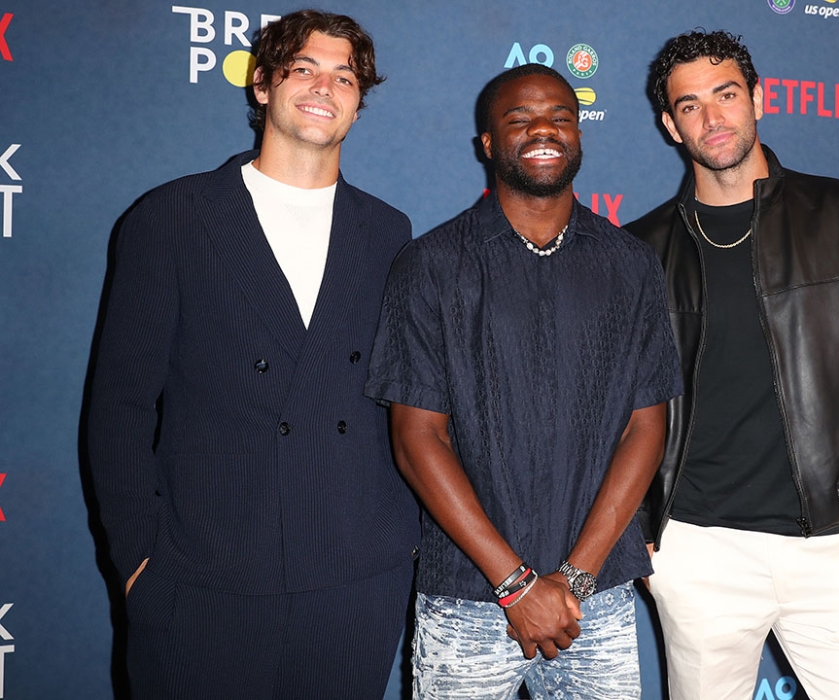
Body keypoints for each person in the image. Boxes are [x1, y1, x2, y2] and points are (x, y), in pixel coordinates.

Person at [87, 10, 417, 698]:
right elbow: (119, 405)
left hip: (354, 580)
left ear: (359, 104)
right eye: (304, 68)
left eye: (345, 76)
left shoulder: (388, 232)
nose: (325, 86)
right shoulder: (172, 217)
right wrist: (137, 562)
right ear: (262, 84)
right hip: (202, 576)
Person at [625, 29, 839, 700]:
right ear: (669, 125)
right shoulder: (642, 250)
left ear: (759, 98)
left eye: (726, 94)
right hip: (698, 553)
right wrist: (645, 546)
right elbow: (618, 412)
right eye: (689, 105)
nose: (713, 118)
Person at [364, 63, 683, 699]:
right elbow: (416, 438)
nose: (543, 129)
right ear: (488, 144)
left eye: (561, 117)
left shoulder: (631, 266)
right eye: (519, 119)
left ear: (580, 136)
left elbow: (647, 427)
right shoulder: (430, 265)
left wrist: (576, 579)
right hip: (467, 597)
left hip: (596, 598)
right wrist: (515, 584)